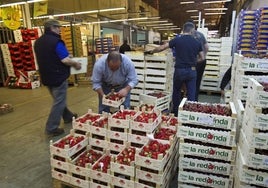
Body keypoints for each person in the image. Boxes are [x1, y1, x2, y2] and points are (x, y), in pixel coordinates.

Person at [145, 22, 204, 116]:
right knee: (191, 93)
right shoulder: (197, 42)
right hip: (192, 71)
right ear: (192, 30)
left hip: (179, 70)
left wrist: (151, 51)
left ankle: (176, 113)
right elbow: (202, 57)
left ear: (183, 29)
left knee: (176, 91)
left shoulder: (177, 40)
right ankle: (190, 114)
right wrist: (193, 62)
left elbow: (163, 47)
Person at [34, 19, 81, 136]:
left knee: (58, 99)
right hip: (58, 76)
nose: (59, 29)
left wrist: (66, 55)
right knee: (59, 101)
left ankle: (68, 116)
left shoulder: (38, 42)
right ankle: (51, 128)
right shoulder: (56, 41)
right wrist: (76, 63)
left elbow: (50, 56)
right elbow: (64, 60)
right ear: (52, 28)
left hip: (46, 76)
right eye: (58, 27)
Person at [188, 21, 209, 101]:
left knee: (189, 81)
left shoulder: (189, 35)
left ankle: (189, 99)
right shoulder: (201, 35)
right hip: (202, 62)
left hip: (192, 62)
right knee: (197, 81)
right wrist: (203, 56)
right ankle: (194, 100)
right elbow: (207, 47)